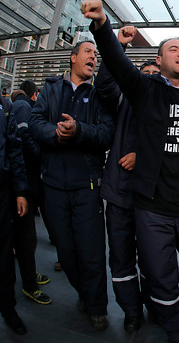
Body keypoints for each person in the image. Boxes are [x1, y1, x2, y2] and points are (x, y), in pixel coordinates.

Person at [82, 0, 179, 343]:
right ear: (158, 61)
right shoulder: (146, 92)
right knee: (161, 277)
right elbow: (115, 62)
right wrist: (102, 24)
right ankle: (176, 329)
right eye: (173, 49)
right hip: (152, 209)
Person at [30, 41, 115, 330]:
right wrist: (56, 133)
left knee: (91, 253)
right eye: (88, 51)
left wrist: (78, 131)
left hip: (88, 188)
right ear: (73, 57)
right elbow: (34, 121)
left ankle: (96, 307)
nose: (93, 56)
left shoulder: (99, 94)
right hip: (52, 186)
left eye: (96, 53)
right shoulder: (52, 89)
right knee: (65, 252)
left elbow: (106, 133)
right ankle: (84, 293)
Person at [94, 26, 159, 333]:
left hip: (152, 197)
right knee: (120, 258)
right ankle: (131, 311)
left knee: (152, 259)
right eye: (142, 73)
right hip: (119, 193)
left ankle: (155, 305)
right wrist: (117, 46)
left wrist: (142, 156)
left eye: (153, 74)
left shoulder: (166, 104)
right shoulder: (123, 99)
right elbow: (106, 82)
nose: (148, 78)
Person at [10, 81, 52, 305]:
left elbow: (14, 144)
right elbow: (22, 141)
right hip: (23, 182)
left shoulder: (9, 107)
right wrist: (41, 159)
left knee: (25, 234)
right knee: (25, 236)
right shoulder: (23, 107)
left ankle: (29, 275)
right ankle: (29, 284)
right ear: (35, 95)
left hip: (20, 183)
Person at [0, 93, 29, 335]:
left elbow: (14, 149)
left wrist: (20, 190)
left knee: (4, 256)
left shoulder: (5, 107)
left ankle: (8, 310)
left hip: (2, 191)